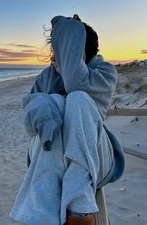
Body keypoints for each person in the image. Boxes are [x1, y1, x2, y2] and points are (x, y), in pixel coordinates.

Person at [10, 15, 125, 225]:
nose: (54, 54)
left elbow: (75, 84)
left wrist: (68, 31)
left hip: (95, 160)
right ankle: (43, 216)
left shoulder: (105, 71)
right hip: (48, 157)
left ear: (76, 48)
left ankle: (79, 208)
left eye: (61, 46)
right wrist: (48, 111)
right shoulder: (46, 76)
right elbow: (28, 120)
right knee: (52, 104)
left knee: (77, 98)